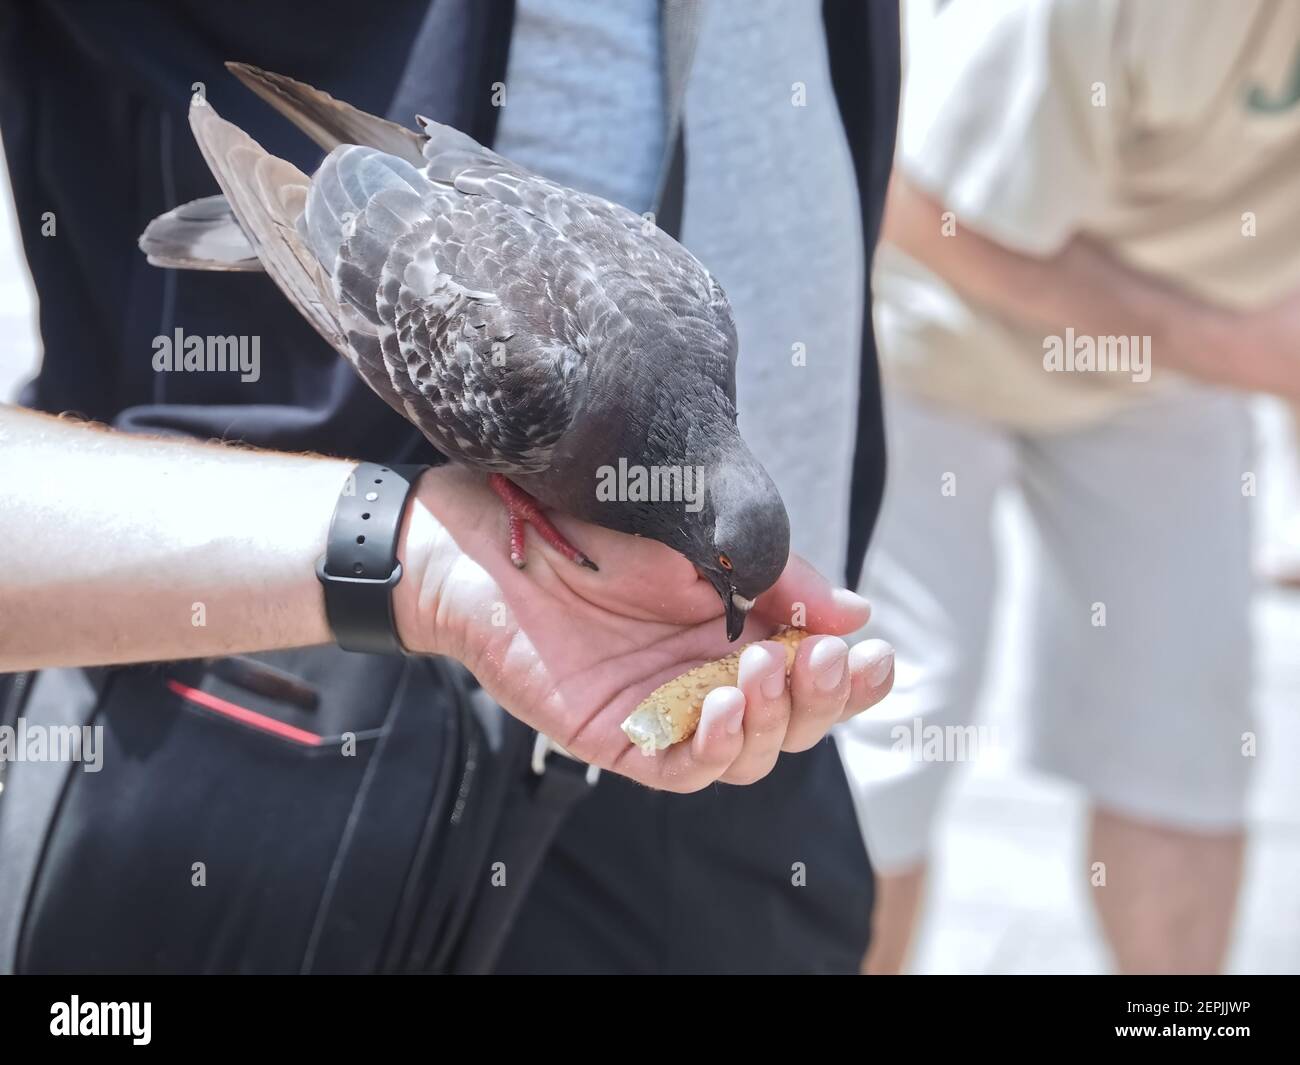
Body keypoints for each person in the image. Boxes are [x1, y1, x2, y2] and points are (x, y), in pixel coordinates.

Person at [0, 0, 900, 973]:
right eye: (724, 571)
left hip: (673, 743)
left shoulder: (699, 320)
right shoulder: (545, 390)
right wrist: (458, 520)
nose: (724, 592)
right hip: (340, 718)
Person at [842, 0, 1300, 973]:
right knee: (890, 735)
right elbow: (912, 197)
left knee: (1183, 750)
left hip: (1170, 358)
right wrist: (1230, 346)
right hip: (928, 331)